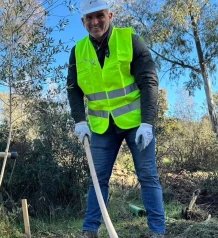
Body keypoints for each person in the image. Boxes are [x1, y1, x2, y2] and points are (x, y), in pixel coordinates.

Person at [66, 0, 165, 237]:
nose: (95, 22)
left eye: (99, 15)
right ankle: (90, 230)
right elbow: (73, 88)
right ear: (83, 22)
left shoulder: (130, 40)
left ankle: (157, 232)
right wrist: (80, 121)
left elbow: (149, 81)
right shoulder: (78, 51)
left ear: (110, 15)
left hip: (136, 124)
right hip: (101, 126)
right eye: (89, 18)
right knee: (97, 180)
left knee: (148, 176)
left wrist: (148, 123)